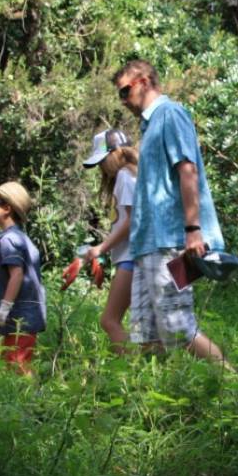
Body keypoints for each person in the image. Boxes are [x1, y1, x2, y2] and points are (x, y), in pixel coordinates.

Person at [112, 60, 233, 370]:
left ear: (144, 81)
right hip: (147, 245)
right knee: (147, 337)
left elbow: (187, 170)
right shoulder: (149, 125)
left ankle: (232, 385)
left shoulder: (170, 114)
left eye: (125, 91)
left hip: (170, 241)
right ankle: (166, 407)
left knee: (179, 329)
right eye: (120, 95)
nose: (123, 100)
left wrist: (193, 230)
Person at [82, 128, 138, 353]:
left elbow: (132, 221)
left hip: (130, 258)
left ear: (114, 154)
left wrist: (101, 248)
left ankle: (128, 370)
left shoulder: (125, 176)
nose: (102, 168)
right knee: (145, 326)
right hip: (131, 256)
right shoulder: (133, 174)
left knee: (109, 321)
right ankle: (144, 373)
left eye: (103, 161)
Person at [0, 181, 47, 376]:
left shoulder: (9, 240)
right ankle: (26, 400)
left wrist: (4, 309)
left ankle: (34, 402)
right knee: (14, 361)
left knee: (17, 364)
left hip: (19, 315)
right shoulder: (22, 238)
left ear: (7, 208)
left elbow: (17, 275)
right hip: (29, 311)